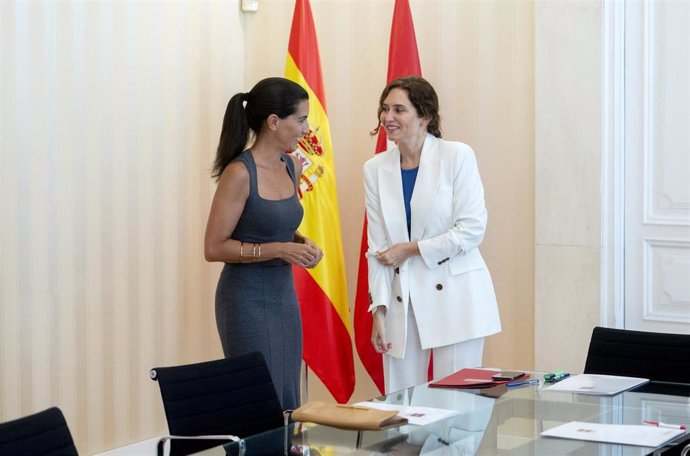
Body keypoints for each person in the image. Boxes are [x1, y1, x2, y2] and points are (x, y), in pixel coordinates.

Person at [364, 75, 501, 393]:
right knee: (402, 407)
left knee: (458, 407)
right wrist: (379, 312)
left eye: (399, 109)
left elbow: (471, 230)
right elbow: (378, 250)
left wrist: (410, 249)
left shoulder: (457, 156)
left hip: (455, 296)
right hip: (402, 299)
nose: (388, 118)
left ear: (424, 115)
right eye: (385, 109)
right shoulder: (374, 169)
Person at [204, 77, 323, 410]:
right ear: (274, 122)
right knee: (259, 399)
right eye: (300, 119)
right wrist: (281, 250)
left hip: (283, 296)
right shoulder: (239, 173)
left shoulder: (291, 165)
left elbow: (275, 224)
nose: (306, 128)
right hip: (245, 300)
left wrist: (301, 243)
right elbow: (213, 248)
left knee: (287, 395)